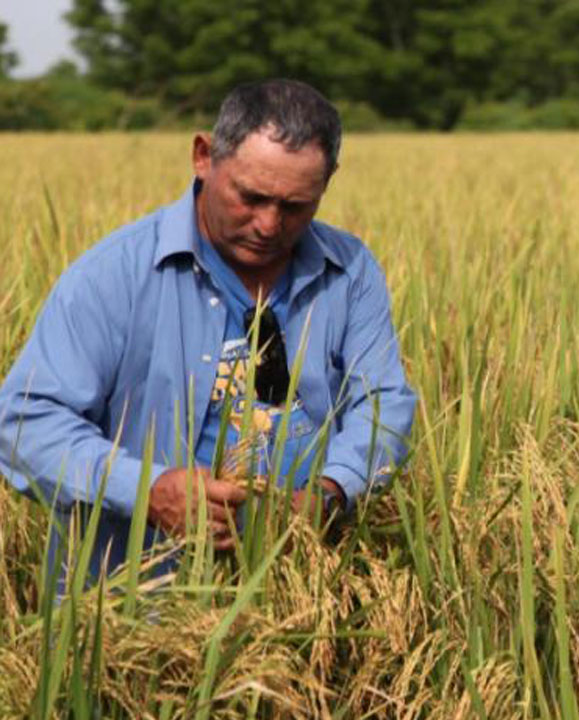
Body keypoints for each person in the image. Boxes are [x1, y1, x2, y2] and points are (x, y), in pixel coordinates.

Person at [0, 79, 416, 583]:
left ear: (327, 184)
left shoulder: (349, 271)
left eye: (294, 207)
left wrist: (330, 494)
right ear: (203, 156)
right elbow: (24, 423)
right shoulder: (113, 275)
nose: (267, 224)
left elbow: (383, 402)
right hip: (139, 601)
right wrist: (148, 490)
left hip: (306, 590)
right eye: (251, 197)